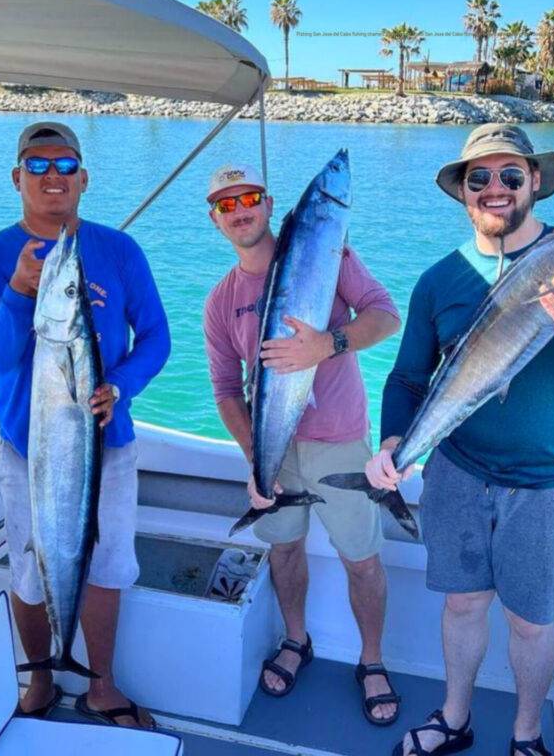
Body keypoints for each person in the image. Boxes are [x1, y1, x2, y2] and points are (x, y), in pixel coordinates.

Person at [369, 124, 554, 756]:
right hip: (457, 474)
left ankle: (525, 736)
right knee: (463, 606)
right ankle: (454, 718)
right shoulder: (439, 280)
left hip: (548, 486)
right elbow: (407, 377)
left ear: (535, 182)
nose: (494, 188)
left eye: (510, 175)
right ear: (463, 191)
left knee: (530, 622)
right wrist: (391, 444)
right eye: (480, 177)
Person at [0, 121, 170, 729]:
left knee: (107, 565)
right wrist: (19, 290)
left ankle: (101, 685)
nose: (52, 176)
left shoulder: (119, 250)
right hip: (29, 452)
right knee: (31, 568)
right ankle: (41, 679)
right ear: (17, 177)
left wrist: (119, 386)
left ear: (83, 178)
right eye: (38, 164)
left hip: (109, 445)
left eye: (65, 165)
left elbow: (156, 338)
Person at [202, 163, 404, 726]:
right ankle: (296, 640)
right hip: (275, 448)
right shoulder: (220, 303)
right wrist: (255, 459)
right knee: (285, 550)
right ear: (215, 219)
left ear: (269, 204)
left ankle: (372, 660)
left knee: (361, 560)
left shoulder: (327, 253)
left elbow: (385, 316)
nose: (240, 210)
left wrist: (327, 345)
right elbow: (226, 392)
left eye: (248, 198)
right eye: (226, 204)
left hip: (340, 440)